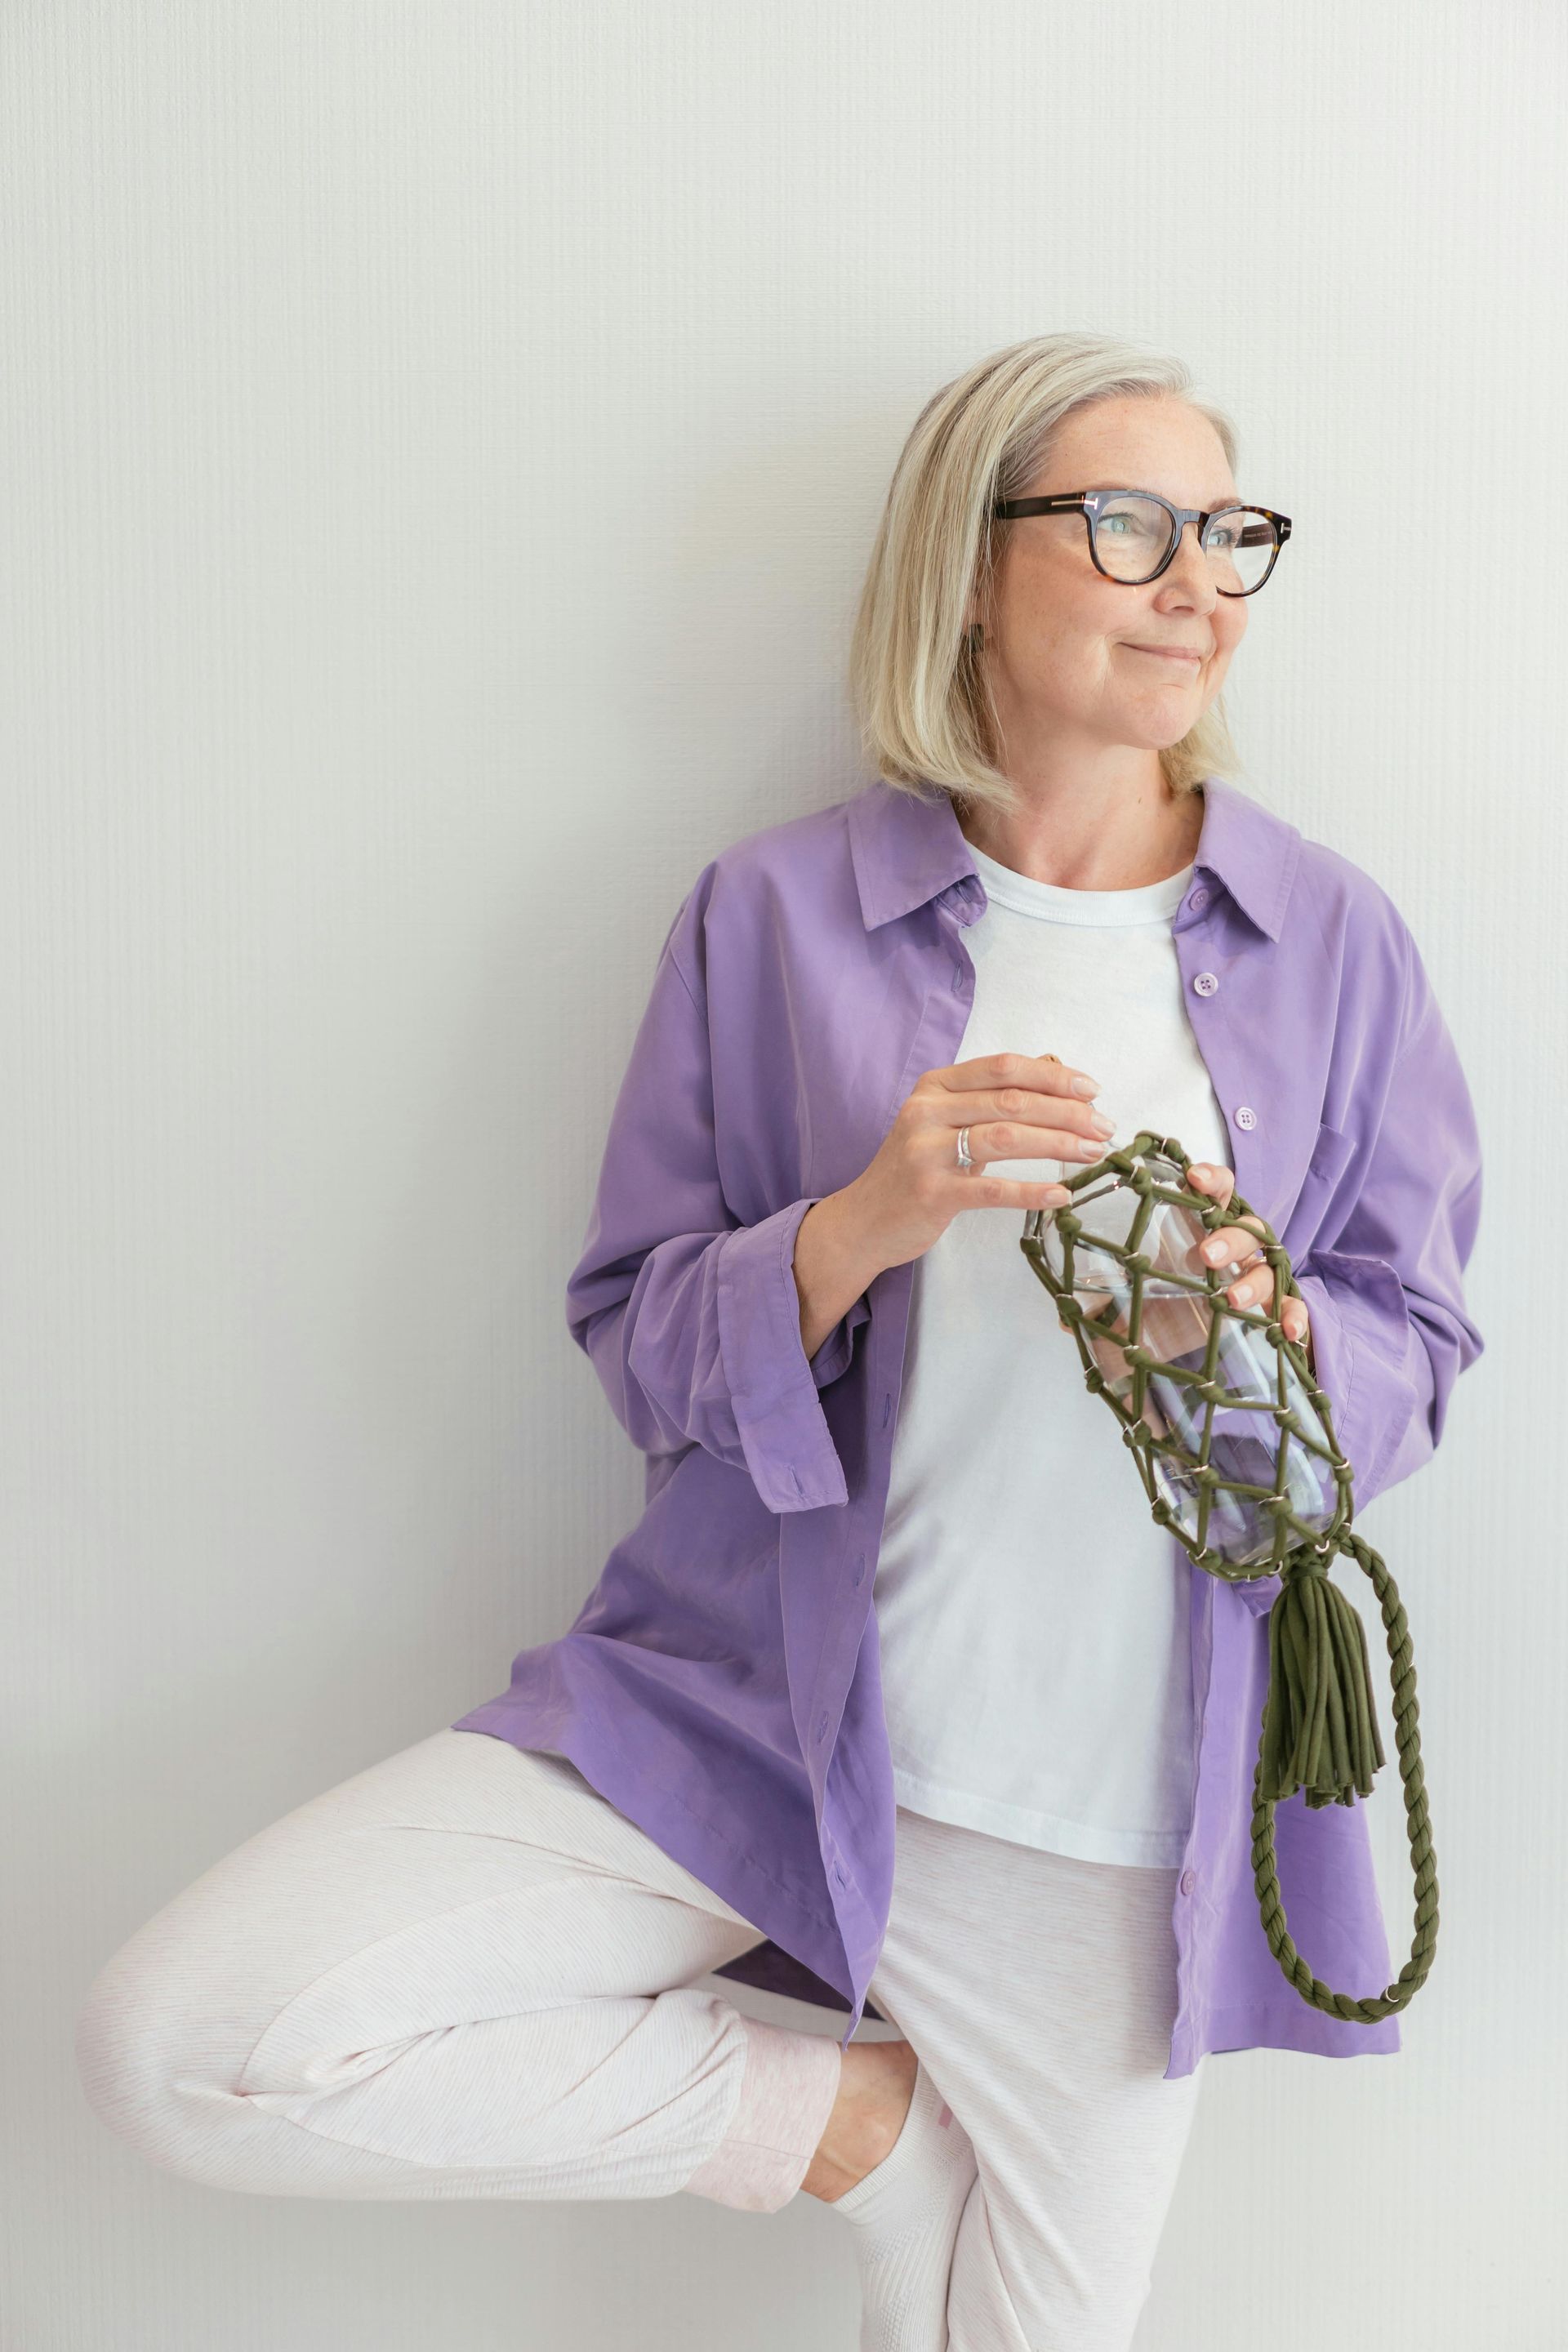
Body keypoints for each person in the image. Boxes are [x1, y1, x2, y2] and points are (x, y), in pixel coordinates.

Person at [74, 332, 1485, 2352]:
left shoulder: (1334, 944)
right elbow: (640, 1343)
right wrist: (856, 1227)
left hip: (1099, 1819)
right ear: (973, 567)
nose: (1200, 582)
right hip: (743, 1724)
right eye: (1131, 524)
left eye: (1231, 533)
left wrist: (1262, 1331)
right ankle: (842, 2122)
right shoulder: (777, 916)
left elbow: (1417, 1350)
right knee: (190, 2043)